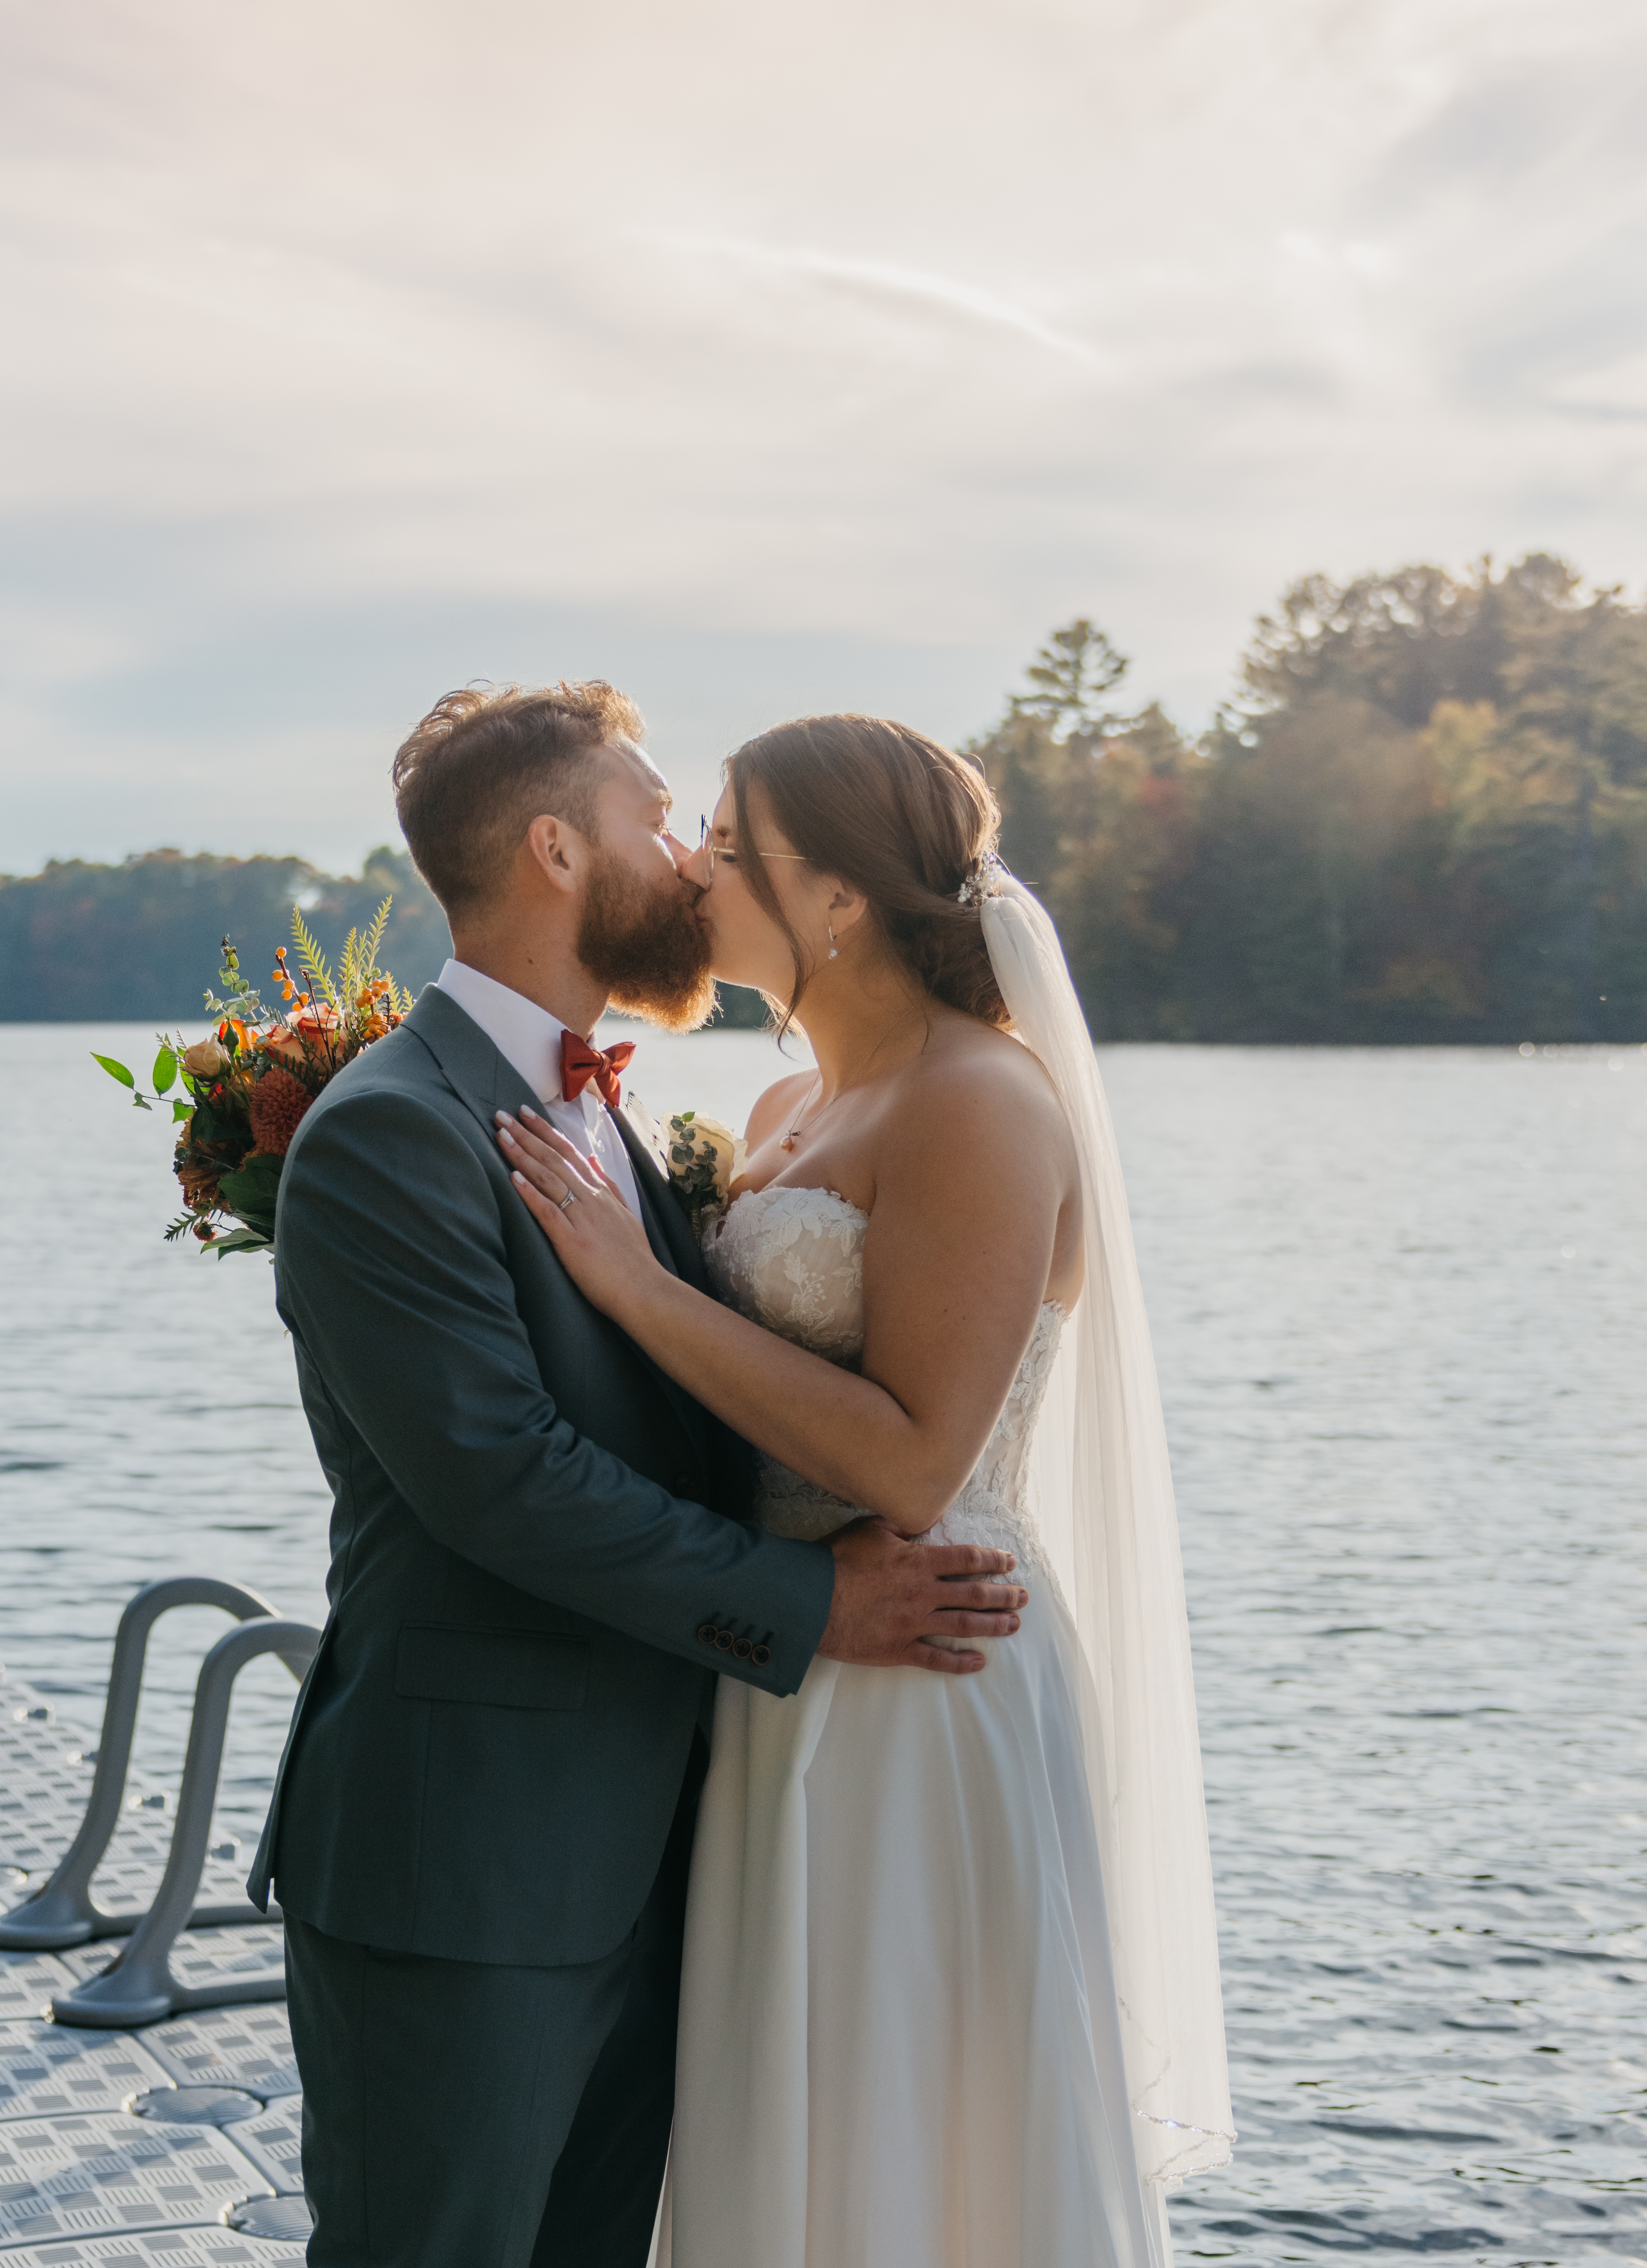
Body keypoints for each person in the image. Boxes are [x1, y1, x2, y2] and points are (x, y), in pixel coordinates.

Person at [252, 681, 1034, 2268]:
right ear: (555, 850)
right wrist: (810, 1602)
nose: (687, 860)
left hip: (685, 1852)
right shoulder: (391, 1132)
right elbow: (507, 1481)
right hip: (466, 1868)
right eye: (657, 816)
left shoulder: (606, 1119)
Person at [493, 713, 1234, 2268]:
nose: (692, 867)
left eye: (730, 844)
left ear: (835, 898)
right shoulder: (778, 1118)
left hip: (923, 1668)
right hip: (773, 1660)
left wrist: (636, 1287)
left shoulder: (982, 1102)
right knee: (782, 2124)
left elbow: (914, 1460)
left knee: (910, 2136)